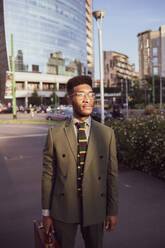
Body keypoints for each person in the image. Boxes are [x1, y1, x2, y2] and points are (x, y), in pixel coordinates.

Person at [41, 75, 118, 248]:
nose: (87, 99)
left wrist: (112, 211)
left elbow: (111, 175)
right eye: (81, 94)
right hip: (63, 208)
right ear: (70, 98)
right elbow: (48, 176)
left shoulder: (107, 134)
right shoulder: (55, 134)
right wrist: (46, 213)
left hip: (95, 207)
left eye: (91, 94)